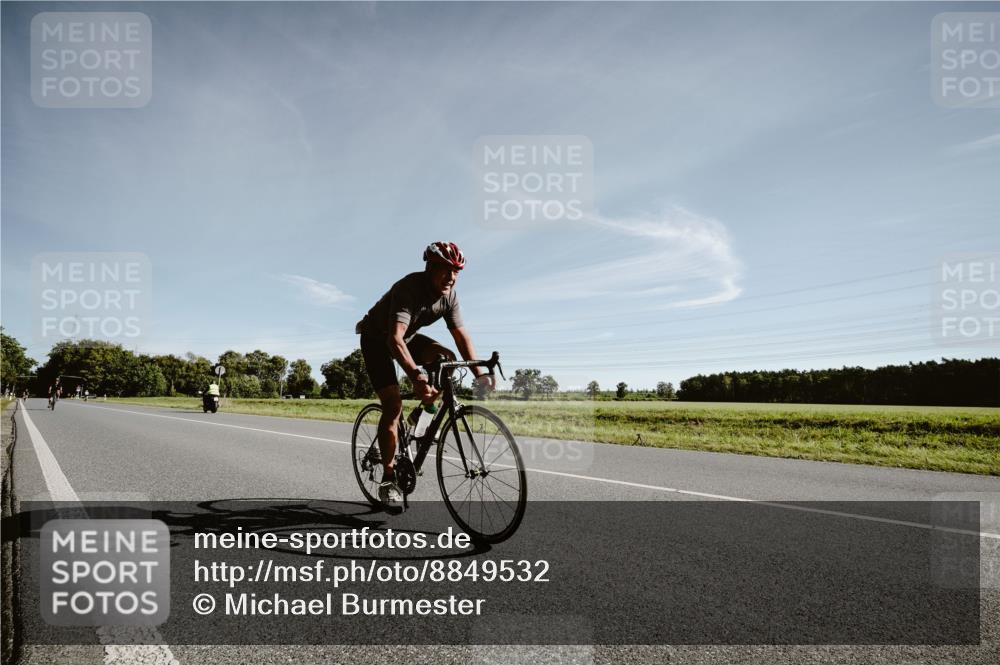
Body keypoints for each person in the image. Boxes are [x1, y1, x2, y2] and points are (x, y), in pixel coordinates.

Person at [355, 241, 494, 506]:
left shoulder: (449, 296)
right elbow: (394, 340)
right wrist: (417, 377)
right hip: (378, 340)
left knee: (446, 359)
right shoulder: (409, 288)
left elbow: (460, 336)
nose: (451, 277)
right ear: (430, 267)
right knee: (393, 405)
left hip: (408, 338)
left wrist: (479, 372)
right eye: (445, 270)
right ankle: (388, 479)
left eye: (456, 272)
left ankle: (422, 415)